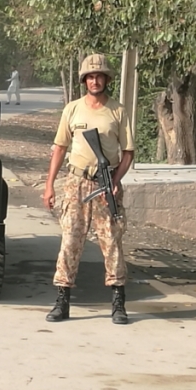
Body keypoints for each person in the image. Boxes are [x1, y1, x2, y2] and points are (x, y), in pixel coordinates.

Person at [41, 53, 135, 325]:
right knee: (70, 241)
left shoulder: (117, 111)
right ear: (84, 80)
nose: (95, 80)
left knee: (112, 243)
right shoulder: (72, 109)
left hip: (106, 184)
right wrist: (49, 186)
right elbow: (59, 148)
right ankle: (62, 301)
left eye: (100, 76)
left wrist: (115, 182)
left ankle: (118, 303)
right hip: (76, 183)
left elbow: (128, 151)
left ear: (107, 79)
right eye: (90, 76)